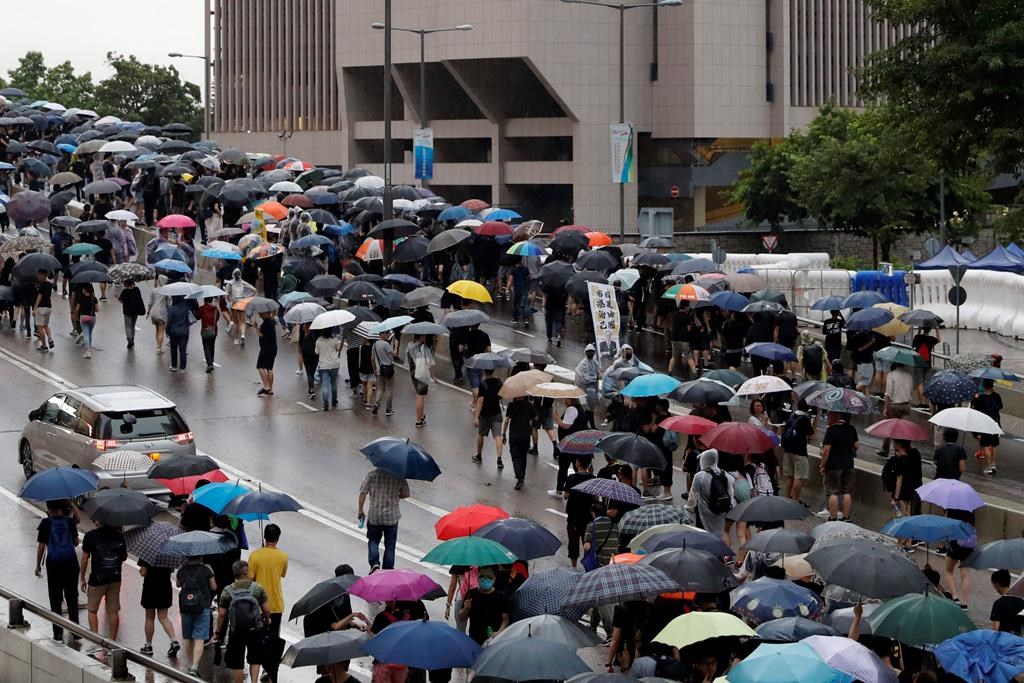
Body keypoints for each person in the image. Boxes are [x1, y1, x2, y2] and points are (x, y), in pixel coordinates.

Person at [216, 560, 271, 683]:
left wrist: (217, 632)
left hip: (236, 630)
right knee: (255, 658)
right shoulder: (257, 588)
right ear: (246, 573)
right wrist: (267, 620)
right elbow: (266, 609)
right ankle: (254, 681)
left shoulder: (227, 590)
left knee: (237, 663)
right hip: (255, 629)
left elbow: (221, 614)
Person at [35, 500, 80, 642]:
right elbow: (76, 542)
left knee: (55, 599)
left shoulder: (46, 523)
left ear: (48, 507)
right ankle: (76, 631)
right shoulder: (69, 522)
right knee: (72, 597)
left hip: (54, 565)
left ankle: (58, 633)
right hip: (71, 564)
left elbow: (41, 546)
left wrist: (38, 566)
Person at [249, 524, 288, 683]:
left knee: (258, 640)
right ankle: (269, 670)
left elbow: (250, 579)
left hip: (258, 606)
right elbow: (282, 574)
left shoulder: (255, 556)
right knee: (272, 639)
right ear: (277, 538)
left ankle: (257, 673)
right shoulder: (283, 556)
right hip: (276, 605)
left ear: (265, 537)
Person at [79, 520, 128, 640]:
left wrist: (82, 578)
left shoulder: (90, 536)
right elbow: (124, 557)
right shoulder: (118, 535)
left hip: (97, 580)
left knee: (92, 610)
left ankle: (96, 640)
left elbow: (85, 559)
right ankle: (112, 641)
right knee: (113, 611)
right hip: (115, 578)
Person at [358, 467, 411, 571]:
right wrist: (397, 495)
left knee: (373, 541)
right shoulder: (399, 476)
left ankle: (374, 564)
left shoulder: (372, 475)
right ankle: (388, 569)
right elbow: (406, 494)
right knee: (390, 546)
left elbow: (363, 492)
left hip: (375, 516)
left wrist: (360, 510)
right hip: (391, 517)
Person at [176, 554, 217, 677]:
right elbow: (214, 586)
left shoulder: (182, 570)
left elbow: (178, 584)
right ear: (200, 557)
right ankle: (194, 667)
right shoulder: (206, 570)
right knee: (199, 638)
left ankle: (190, 665)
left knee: (188, 638)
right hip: (202, 607)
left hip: (185, 607)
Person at [684, 449, 734, 547]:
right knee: (719, 534)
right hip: (720, 512)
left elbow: (693, 496)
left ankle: (706, 556)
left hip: (704, 513)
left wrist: (689, 508)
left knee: (704, 536)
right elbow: (731, 493)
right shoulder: (724, 474)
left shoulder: (699, 476)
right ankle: (720, 556)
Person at [819, 412, 859, 521]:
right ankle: (846, 516)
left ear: (836, 416)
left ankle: (833, 516)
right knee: (846, 492)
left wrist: (822, 464)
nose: (828, 417)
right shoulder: (851, 429)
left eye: (829, 415)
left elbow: (826, 450)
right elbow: (856, 445)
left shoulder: (831, 430)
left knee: (833, 492)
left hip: (833, 465)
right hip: (849, 464)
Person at [549, 397, 590, 497]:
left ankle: (559, 490)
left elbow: (566, 426)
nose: (565, 401)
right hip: (578, 442)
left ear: (571, 400)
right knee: (578, 467)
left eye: (567, 399)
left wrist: (558, 419)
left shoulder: (572, 409)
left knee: (563, 467)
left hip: (569, 444)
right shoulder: (580, 409)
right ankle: (582, 490)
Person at [138, 559, 179, 657]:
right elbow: (172, 570)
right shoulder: (169, 552)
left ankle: (148, 646)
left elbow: (143, 572)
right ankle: (174, 640)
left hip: (150, 586)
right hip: (165, 587)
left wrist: (141, 571)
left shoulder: (148, 551)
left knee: (149, 617)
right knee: (163, 617)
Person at [458, 567, 509, 645]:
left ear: (494, 579)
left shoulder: (501, 597)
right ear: (477, 578)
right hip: (474, 640)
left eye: (489, 577)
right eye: (482, 576)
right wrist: (466, 608)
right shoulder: (471, 594)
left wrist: (498, 633)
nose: (485, 579)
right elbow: (461, 618)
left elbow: (505, 620)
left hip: (493, 641)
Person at [564, 455, 595, 568]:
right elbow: (595, 498)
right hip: (587, 516)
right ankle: (588, 566)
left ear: (577, 462)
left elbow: (566, 496)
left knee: (573, 541)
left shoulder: (572, 478)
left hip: (574, 515)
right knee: (586, 541)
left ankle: (574, 566)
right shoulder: (592, 479)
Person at [502, 395, 538, 490]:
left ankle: (519, 477)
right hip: (525, 435)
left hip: (514, 436)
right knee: (523, 456)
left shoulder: (511, 405)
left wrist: (503, 434)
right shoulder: (529, 405)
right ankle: (522, 475)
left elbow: (506, 421)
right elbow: (536, 418)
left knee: (515, 457)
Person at [878, 362, 914, 457]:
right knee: (903, 430)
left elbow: (888, 393)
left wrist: (886, 407)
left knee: (890, 428)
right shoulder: (909, 375)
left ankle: (885, 450)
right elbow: (910, 390)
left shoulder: (891, 374)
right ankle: (902, 450)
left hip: (894, 405)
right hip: (906, 405)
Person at [472, 368, 505, 468]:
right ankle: (499, 459)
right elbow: (502, 395)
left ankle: (479, 455)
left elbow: (480, 401)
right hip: (497, 413)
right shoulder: (499, 382)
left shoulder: (483, 384)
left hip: (485, 415)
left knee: (481, 434)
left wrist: (476, 417)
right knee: (497, 436)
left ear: (484, 372)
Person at [780, 410, 814, 502]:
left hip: (787, 449)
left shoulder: (791, 415)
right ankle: (795, 499)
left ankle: (787, 497)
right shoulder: (806, 419)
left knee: (789, 476)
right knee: (798, 477)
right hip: (800, 451)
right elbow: (811, 435)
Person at [971, 379, 1003, 474]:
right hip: (995, 422)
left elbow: (975, 408)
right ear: (992, 386)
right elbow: (1000, 406)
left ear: (984, 387)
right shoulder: (997, 396)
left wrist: (975, 399)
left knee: (985, 444)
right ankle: (993, 464)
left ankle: (989, 466)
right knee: (994, 445)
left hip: (984, 423)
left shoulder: (980, 397)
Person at [407, 334, 437, 428]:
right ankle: (418, 420)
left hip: (413, 373)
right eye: (424, 336)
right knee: (420, 397)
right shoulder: (423, 348)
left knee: (418, 395)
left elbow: (408, 361)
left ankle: (422, 416)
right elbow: (430, 363)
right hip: (422, 374)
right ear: (420, 337)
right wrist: (433, 376)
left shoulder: (409, 346)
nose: (425, 337)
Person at [889, 439, 922, 519]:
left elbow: (899, 480)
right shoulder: (916, 453)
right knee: (914, 517)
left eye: (894, 442)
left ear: (899, 444)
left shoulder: (900, 460)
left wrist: (895, 498)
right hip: (917, 491)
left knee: (902, 519)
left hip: (903, 495)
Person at [225, 269, 256, 345]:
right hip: (242, 302)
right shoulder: (243, 282)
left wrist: (229, 300)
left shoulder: (230, 283)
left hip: (234, 303)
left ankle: (236, 338)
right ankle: (243, 335)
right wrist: (248, 297)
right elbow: (254, 289)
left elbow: (226, 294)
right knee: (243, 321)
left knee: (235, 322)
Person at [316, 329, 343, 411]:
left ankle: (326, 403)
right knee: (334, 383)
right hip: (334, 364)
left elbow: (317, 352)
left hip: (324, 365)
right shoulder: (334, 339)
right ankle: (334, 401)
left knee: (325, 385)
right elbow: (338, 349)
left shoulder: (318, 340)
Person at [912, 326, 939, 406]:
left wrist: (919, 330)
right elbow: (939, 340)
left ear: (922, 329)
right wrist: (937, 329)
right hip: (927, 363)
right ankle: (927, 403)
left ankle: (921, 403)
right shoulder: (931, 339)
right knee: (926, 383)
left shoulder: (917, 337)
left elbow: (914, 344)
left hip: (918, 362)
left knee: (919, 382)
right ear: (930, 330)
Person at [575, 344, 601, 427]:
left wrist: (599, 374)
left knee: (590, 408)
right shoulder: (583, 364)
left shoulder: (595, 362)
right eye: (589, 352)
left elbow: (599, 373)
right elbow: (585, 378)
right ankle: (591, 425)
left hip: (593, 389)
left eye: (592, 352)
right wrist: (595, 378)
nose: (591, 354)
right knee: (589, 408)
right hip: (586, 389)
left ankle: (584, 424)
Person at [372, 329, 396, 416]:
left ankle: (376, 403)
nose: (387, 335)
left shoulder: (374, 344)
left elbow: (372, 359)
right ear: (381, 334)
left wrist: (375, 370)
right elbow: (394, 354)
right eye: (386, 333)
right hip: (388, 370)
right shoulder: (386, 344)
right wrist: (395, 346)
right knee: (389, 389)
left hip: (379, 370)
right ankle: (388, 410)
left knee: (381, 388)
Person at [116, 278, 146, 349]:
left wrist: (117, 297)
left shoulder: (125, 291)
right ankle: (132, 338)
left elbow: (122, 301)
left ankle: (130, 339)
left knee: (127, 326)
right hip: (136, 311)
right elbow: (139, 299)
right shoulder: (137, 290)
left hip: (127, 311)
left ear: (126, 283)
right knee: (132, 325)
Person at [166, 295, 193, 372]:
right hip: (184, 331)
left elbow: (169, 322)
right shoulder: (186, 308)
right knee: (183, 349)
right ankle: (182, 367)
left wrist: (167, 331)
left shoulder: (172, 309)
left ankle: (174, 366)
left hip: (174, 332)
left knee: (173, 348)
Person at [256, 310, 278, 396]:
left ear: (266, 313)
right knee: (269, 368)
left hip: (266, 348)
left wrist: (256, 328)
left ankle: (266, 386)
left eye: (261, 313)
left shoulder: (265, 324)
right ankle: (270, 389)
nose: (259, 314)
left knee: (260, 366)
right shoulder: (272, 321)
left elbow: (262, 336)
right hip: (273, 348)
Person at [147, 274, 170, 353]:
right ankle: (159, 348)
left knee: (157, 330)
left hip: (154, 312)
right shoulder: (166, 292)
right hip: (162, 313)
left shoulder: (154, 290)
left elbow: (150, 302)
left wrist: (148, 312)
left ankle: (158, 345)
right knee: (161, 331)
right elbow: (169, 303)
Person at [75, 285, 98, 359]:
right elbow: (97, 310)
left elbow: (77, 309)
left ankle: (87, 351)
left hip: (84, 317)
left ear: (84, 290)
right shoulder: (94, 299)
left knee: (86, 334)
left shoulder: (81, 298)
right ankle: (89, 349)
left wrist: (76, 316)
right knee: (90, 334)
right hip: (92, 318)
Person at [199, 296, 220, 372]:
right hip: (214, 330)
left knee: (206, 347)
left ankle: (209, 364)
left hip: (205, 330)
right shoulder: (215, 309)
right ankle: (212, 361)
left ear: (204, 300)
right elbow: (217, 318)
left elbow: (198, 316)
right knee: (212, 346)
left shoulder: (202, 308)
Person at [33, 269, 53, 352]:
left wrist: (35, 308)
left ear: (43, 275)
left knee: (40, 327)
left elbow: (39, 297)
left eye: (38, 275)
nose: (38, 277)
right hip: (48, 307)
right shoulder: (49, 284)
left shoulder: (42, 285)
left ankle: (44, 346)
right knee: (45, 325)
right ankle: (50, 339)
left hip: (41, 307)